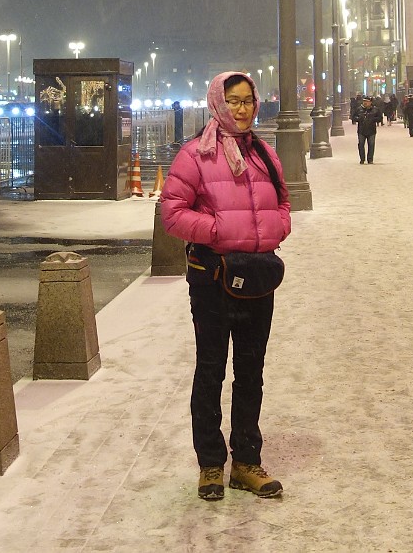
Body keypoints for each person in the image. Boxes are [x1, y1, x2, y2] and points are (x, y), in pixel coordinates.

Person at [161, 71, 291, 502]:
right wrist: (218, 230)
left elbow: (283, 201)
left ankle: (247, 462)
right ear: (217, 103)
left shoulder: (265, 154)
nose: (241, 109)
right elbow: (172, 213)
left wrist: (277, 227)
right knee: (211, 369)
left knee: (251, 372)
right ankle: (211, 463)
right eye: (233, 101)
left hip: (257, 276)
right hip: (212, 278)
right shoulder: (195, 155)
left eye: (247, 100)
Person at [352, 95, 384, 164]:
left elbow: (380, 118)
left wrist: (373, 119)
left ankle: (370, 159)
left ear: (370, 102)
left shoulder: (375, 109)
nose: (365, 103)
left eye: (367, 101)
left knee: (371, 145)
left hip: (371, 130)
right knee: (361, 144)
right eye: (364, 101)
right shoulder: (359, 109)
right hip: (361, 130)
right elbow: (353, 117)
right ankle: (362, 159)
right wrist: (359, 119)